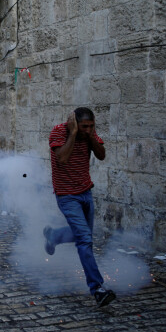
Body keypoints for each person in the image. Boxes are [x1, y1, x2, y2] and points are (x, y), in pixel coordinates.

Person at [42, 107, 116, 307]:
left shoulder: (90, 134)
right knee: (84, 240)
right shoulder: (59, 131)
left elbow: (101, 155)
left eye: (91, 126)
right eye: (84, 126)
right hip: (66, 195)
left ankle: (54, 236)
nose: (88, 130)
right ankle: (98, 288)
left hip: (85, 192)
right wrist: (74, 134)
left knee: (82, 235)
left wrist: (91, 137)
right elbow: (62, 158)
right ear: (74, 123)